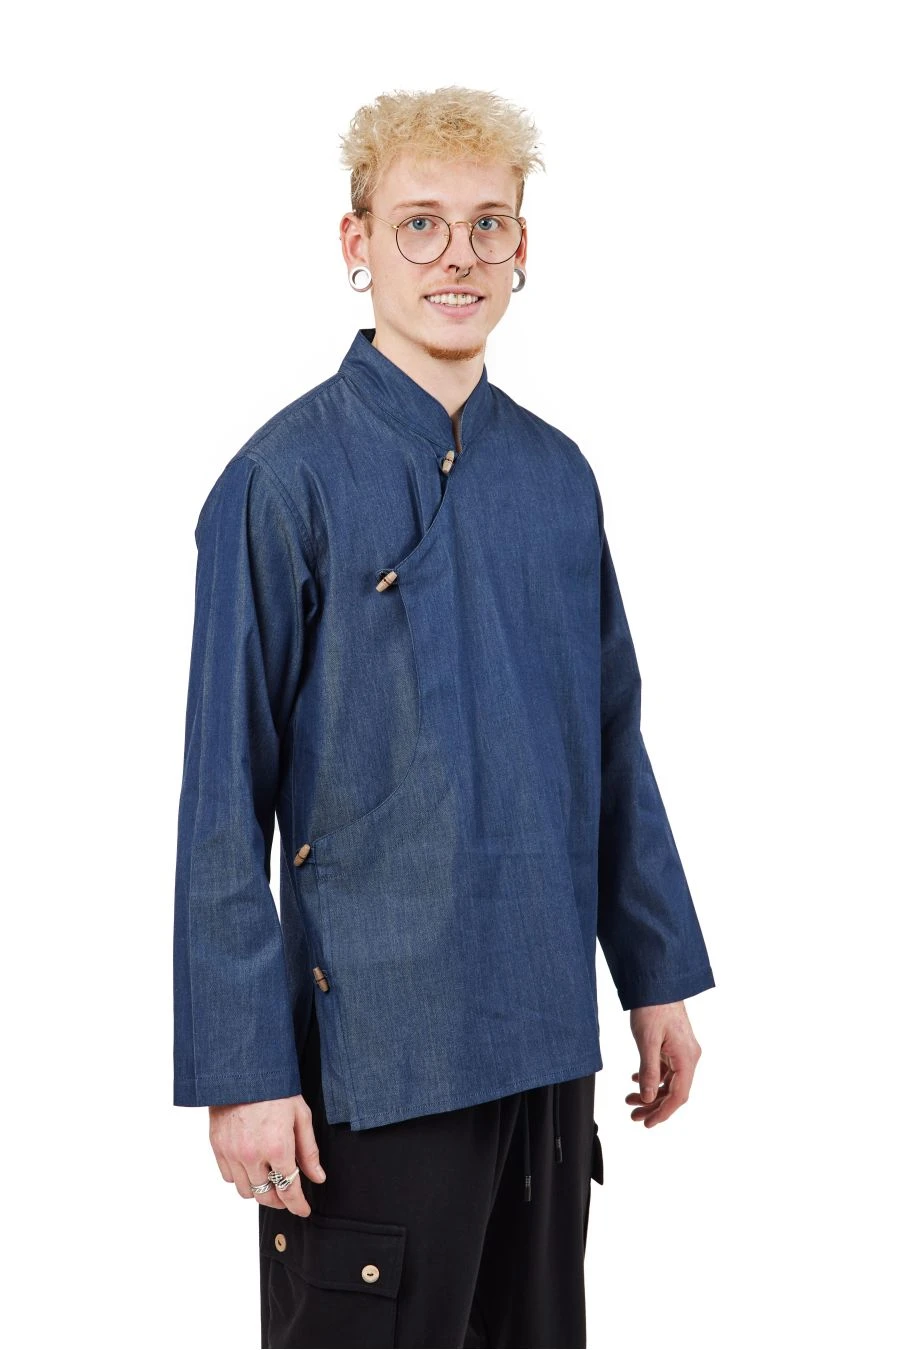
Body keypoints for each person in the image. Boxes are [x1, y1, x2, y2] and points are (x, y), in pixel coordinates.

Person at [172, 85, 715, 1349]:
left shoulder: (557, 475)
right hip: (375, 1062)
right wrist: (242, 1072)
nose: (455, 256)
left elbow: (609, 746)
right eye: (419, 223)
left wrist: (655, 979)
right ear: (356, 243)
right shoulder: (281, 480)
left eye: (487, 225)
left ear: (524, 248)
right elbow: (221, 798)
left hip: (546, 1051)